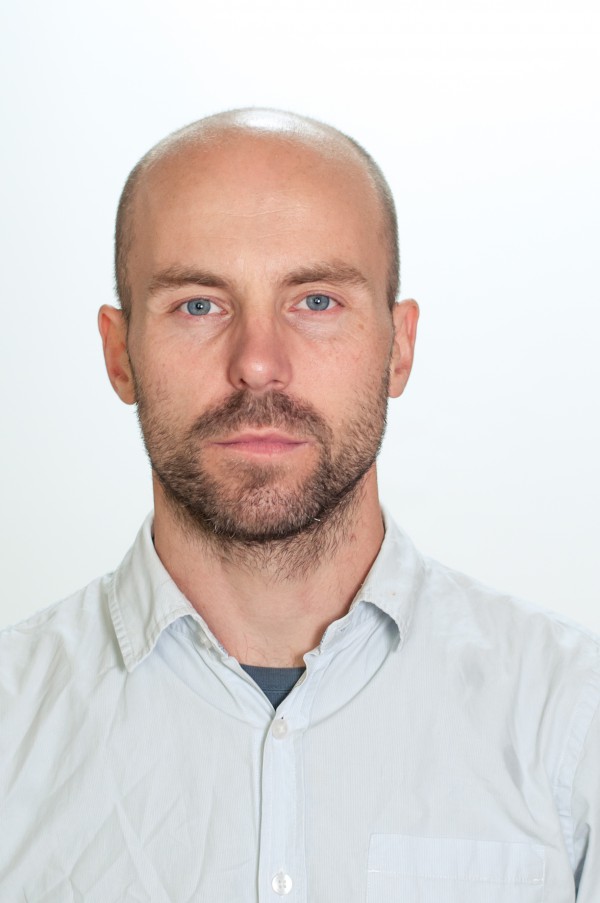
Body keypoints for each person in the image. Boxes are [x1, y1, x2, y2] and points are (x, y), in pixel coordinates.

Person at [0, 109, 598, 902]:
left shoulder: (573, 718)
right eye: (199, 305)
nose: (258, 363)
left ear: (400, 346)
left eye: (316, 301)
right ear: (120, 354)